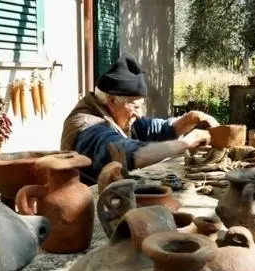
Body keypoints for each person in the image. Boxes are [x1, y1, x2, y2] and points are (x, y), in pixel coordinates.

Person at [61, 54, 218, 185]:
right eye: (135, 107)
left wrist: (192, 118)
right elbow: (129, 153)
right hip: (91, 209)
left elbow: (160, 129)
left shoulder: (120, 116)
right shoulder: (86, 126)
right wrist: (187, 143)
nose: (139, 114)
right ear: (112, 100)